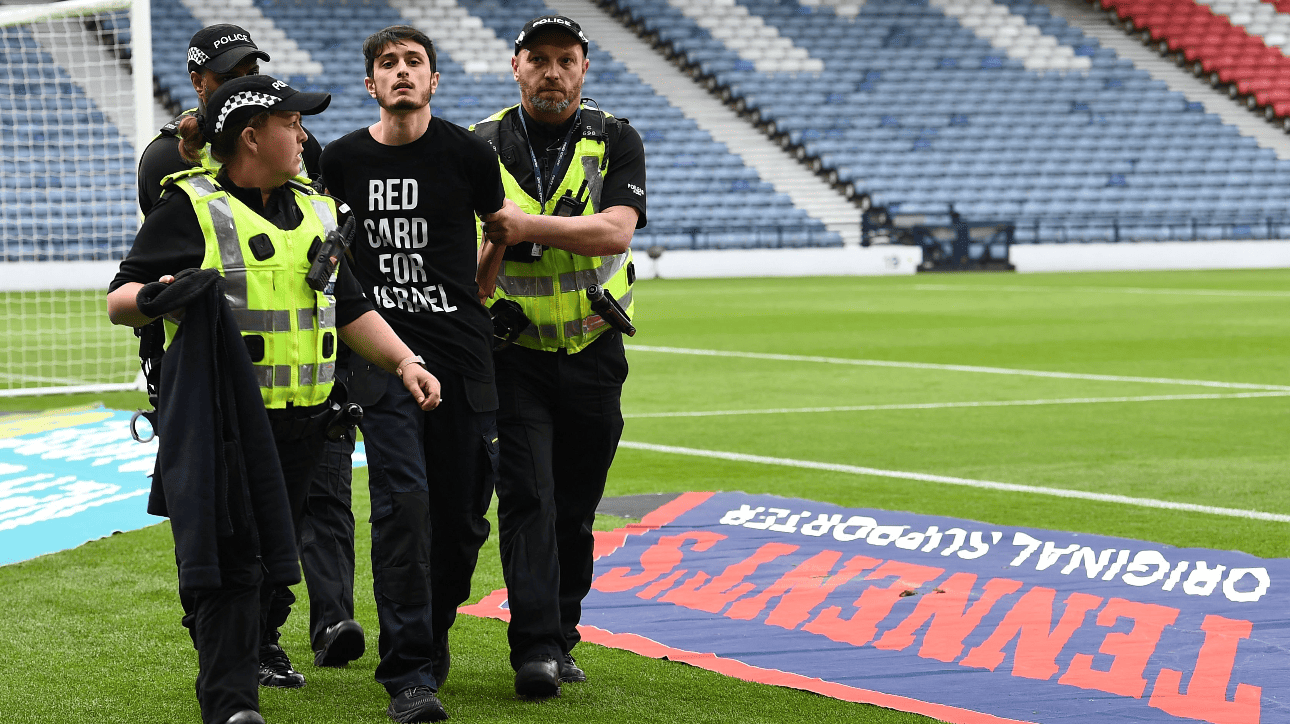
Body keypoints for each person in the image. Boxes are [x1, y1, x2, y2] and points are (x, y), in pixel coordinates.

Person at [106, 75, 441, 724]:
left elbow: (348, 307)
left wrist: (405, 361)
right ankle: (232, 705)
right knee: (232, 567)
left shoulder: (318, 209)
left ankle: (238, 668)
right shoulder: (190, 207)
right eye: (292, 123)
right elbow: (122, 298)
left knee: (267, 567)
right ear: (252, 137)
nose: (304, 136)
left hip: (306, 428)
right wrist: (157, 296)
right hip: (225, 427)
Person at [135, 23, 364, 680]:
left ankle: (281, 628)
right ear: (200, 83)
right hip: (205, 374)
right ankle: (222, 639)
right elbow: (164, 265)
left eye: (251, 70)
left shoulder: (295, 155)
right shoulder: (168, 160)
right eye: (232, 75)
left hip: (304, 368)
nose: (246, 81)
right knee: (214, 516)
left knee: (311, 500)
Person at [318, 25, 505, 723]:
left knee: (460, 519)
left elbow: (500, 228)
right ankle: (409, 675)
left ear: (433, 80)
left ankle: (430, 633)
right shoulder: (341, 160)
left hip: (463, 357)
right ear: (370, 83)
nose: (402, 72)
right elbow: (329, 250)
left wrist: (481, 288)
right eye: (389, 64)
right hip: (381, 360)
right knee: (405, 505)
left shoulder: (470, 154)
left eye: (414, 62)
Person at [472, 14, 648, 699]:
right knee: (528, 501)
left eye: (565, 60)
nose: (552, 72)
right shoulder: (477, 145)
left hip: (592, 349)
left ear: (583, 68)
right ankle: (537, 647)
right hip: (513, 353)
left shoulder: (616, 138)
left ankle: (562, 631)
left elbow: (615, 232)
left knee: (575, 508)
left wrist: (523, 227)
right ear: (515, 66)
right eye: (538, 59)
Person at [138, 24, 324, 215]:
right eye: (228, 79)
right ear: (198, 83)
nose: (246, 86)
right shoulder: (168, 155)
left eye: (252, 74)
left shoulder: (297, 139)